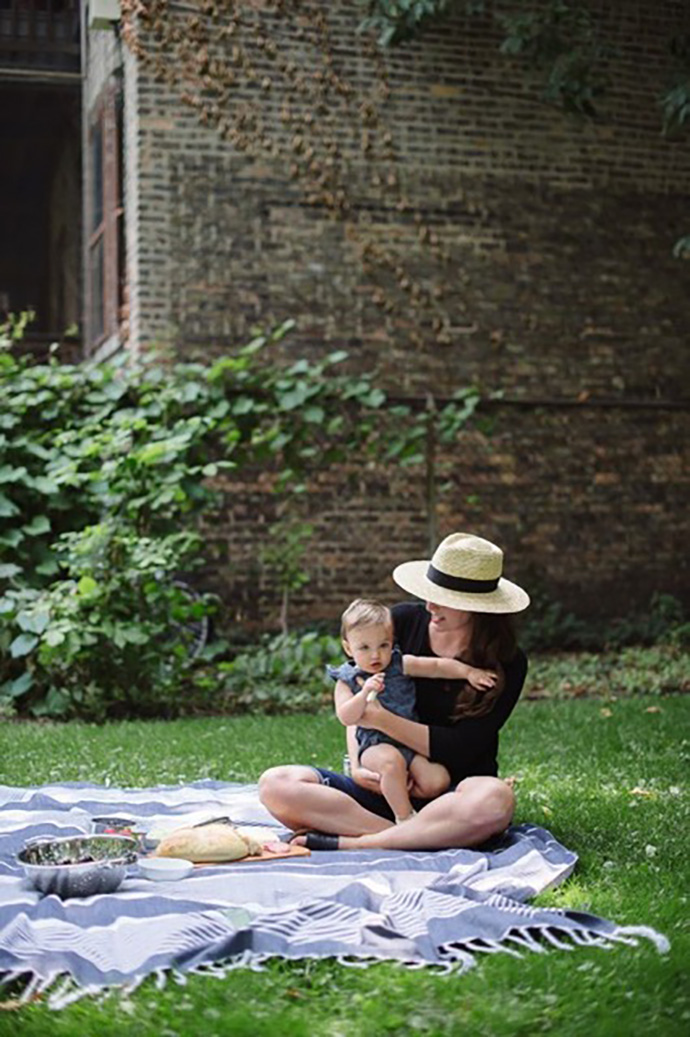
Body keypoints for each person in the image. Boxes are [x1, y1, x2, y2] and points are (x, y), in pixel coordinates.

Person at [259, 531, 530, 851]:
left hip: (451, 796)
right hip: (382, 785)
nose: (429, 605)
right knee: (276, 785)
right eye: (430, 592)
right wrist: (358, 766)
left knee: (495, 799)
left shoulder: (506, 662)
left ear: (476, 605)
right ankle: (413, 836)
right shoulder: (401, 622)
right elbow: (354, 686)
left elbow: (461, 748)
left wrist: (381, 719)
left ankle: (358, 843)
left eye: (443, 598)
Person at [330, 597, 500, 824]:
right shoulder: (348, 679)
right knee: (391, 764)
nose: (375, 655)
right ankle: (405, 818)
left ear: (392, 642)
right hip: (375, 746)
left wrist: (469, 673)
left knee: (437, 780)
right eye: (364, 648)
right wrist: (363, 694)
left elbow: (436, 666)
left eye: (383, 645)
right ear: (348, 648)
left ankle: (399, 798)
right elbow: (346, 717)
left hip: (408, 744)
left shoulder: (399, 664)